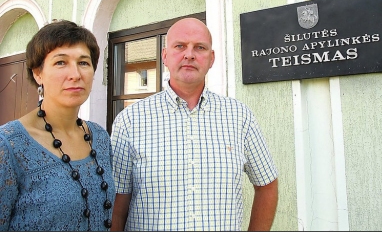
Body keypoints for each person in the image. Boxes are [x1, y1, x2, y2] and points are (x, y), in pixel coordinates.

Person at [110, 17, 279, 231]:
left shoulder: (239, 116)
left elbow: (267, 185)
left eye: (199, 47)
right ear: (165, 56)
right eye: (180, 46)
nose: (189, 54)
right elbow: (118, 203)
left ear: (211, 58)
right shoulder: (130, 120)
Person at [0, 20, 115, 231]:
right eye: (61, 62)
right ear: (37, 73)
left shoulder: (99, 137)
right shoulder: (8, 146)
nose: (75, 74)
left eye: (83, 63)